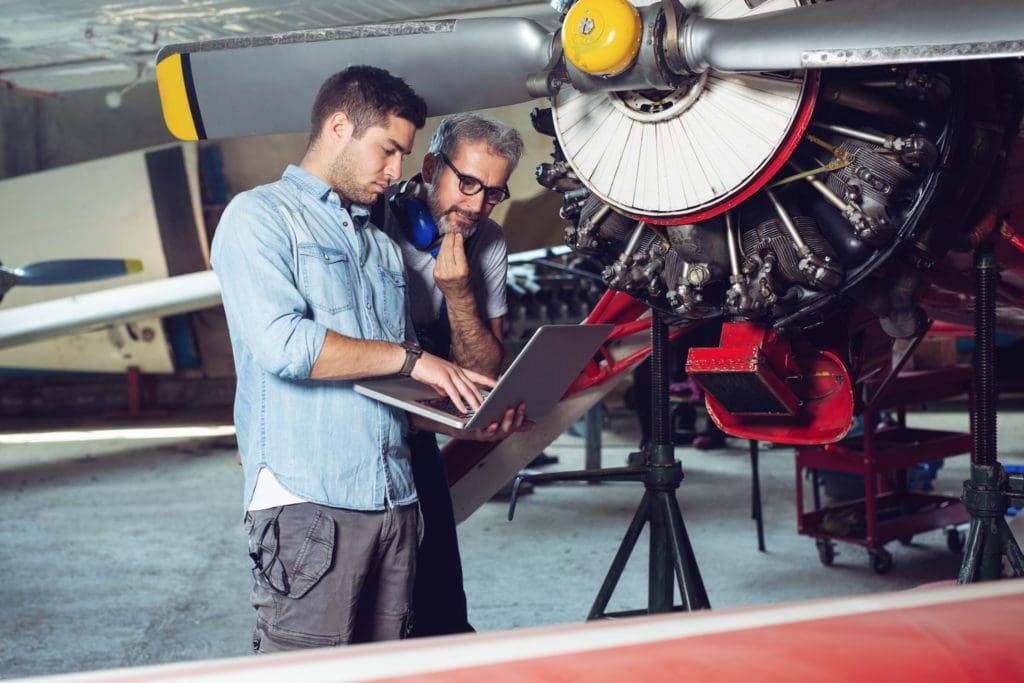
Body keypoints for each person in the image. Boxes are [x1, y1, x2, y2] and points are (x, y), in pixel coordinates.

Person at [210, 66, 527, 653]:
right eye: (388, 151)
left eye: (400, 155)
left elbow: (383, 387)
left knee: (406, 655)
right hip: (315, 495)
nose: (394, 172)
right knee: (310, 662)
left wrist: (468, 417)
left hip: (394, 495)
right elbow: (283, 345)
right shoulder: (259, 216)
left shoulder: (377, 245)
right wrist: (414, 360)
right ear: (338, 127)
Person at [374, 113, 524, 636]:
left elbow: (484, 373)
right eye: (468, 184)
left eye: (493, 194)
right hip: (363, 433)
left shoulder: (489, 244)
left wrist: (460, 294)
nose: (477, 206)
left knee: (441, 608)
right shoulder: (369, 224)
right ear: (432, 165)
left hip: (419, 440)